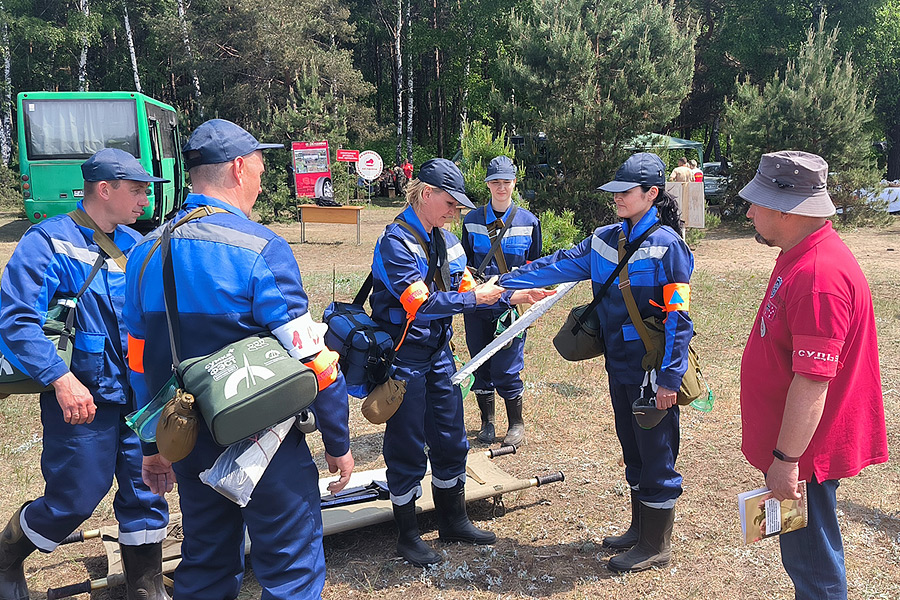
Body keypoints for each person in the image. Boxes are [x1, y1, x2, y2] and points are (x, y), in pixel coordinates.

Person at [123, 119, 354, 599]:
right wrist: (337, 439)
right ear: (238, 167)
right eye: (260, 168)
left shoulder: (143, 252)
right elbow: (311, 354)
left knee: (205, 564)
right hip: (263, 442)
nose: (263, 180)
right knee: (293, 571)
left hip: (187, 440)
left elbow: (139, 361)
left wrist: (154, 446)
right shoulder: (258, 247)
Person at [499, 152, 694, 573]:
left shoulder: (669, 247)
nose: (617, 199)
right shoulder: (605, 238)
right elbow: (559, 264)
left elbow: (680, 318)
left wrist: (669, 379)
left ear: (652, 194)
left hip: (651, 367)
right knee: (632, 446)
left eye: (626, 193)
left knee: (657, 452)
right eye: (615, 192)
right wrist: (502, 284)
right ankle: (639, 529)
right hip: (618, 364)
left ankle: (656, 544)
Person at [0, 148, 171, 600]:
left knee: (146, 491)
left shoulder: (138, 244)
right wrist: (61, 378)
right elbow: (16, 320)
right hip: (82, 398)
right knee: (73, 497)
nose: (144, 201)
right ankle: (6, 558)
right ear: (103, 189)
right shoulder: (48, 242)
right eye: (136, 191)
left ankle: (145, 587)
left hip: (138, 398)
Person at [370, 158, 552, 567]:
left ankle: (454, 520)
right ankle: (408, 534)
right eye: (451, 204)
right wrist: (475, 300)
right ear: (426, 194)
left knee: (452, 439)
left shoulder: (447, 240)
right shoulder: (395, 243)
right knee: (406, 447)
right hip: (404, 360)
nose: (455, 213)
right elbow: (422, 304)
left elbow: (469, 284)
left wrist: (514, 296)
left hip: (439, 357)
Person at [738, 150, 887, 600]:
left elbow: (813, 381)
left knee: (814, 568)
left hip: (807, 456)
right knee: (805, 558)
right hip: (801, 449)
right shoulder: (801, 252)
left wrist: (785, 461)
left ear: (786, 209)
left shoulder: (819, 275)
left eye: (756, 203)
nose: (748, 212)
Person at [461, 156, 542, 447]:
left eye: (506, 181)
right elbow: (465, 264)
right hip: (478, 302)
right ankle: (487, 422)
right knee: (480, 362)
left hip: (511, 304)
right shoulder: (471, 220)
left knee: (507, 365)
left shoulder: (529, 221)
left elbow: (533, 265)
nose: (501, 187)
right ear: (487, 185)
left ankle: (515, 423)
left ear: (514, 183)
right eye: (495, 181)